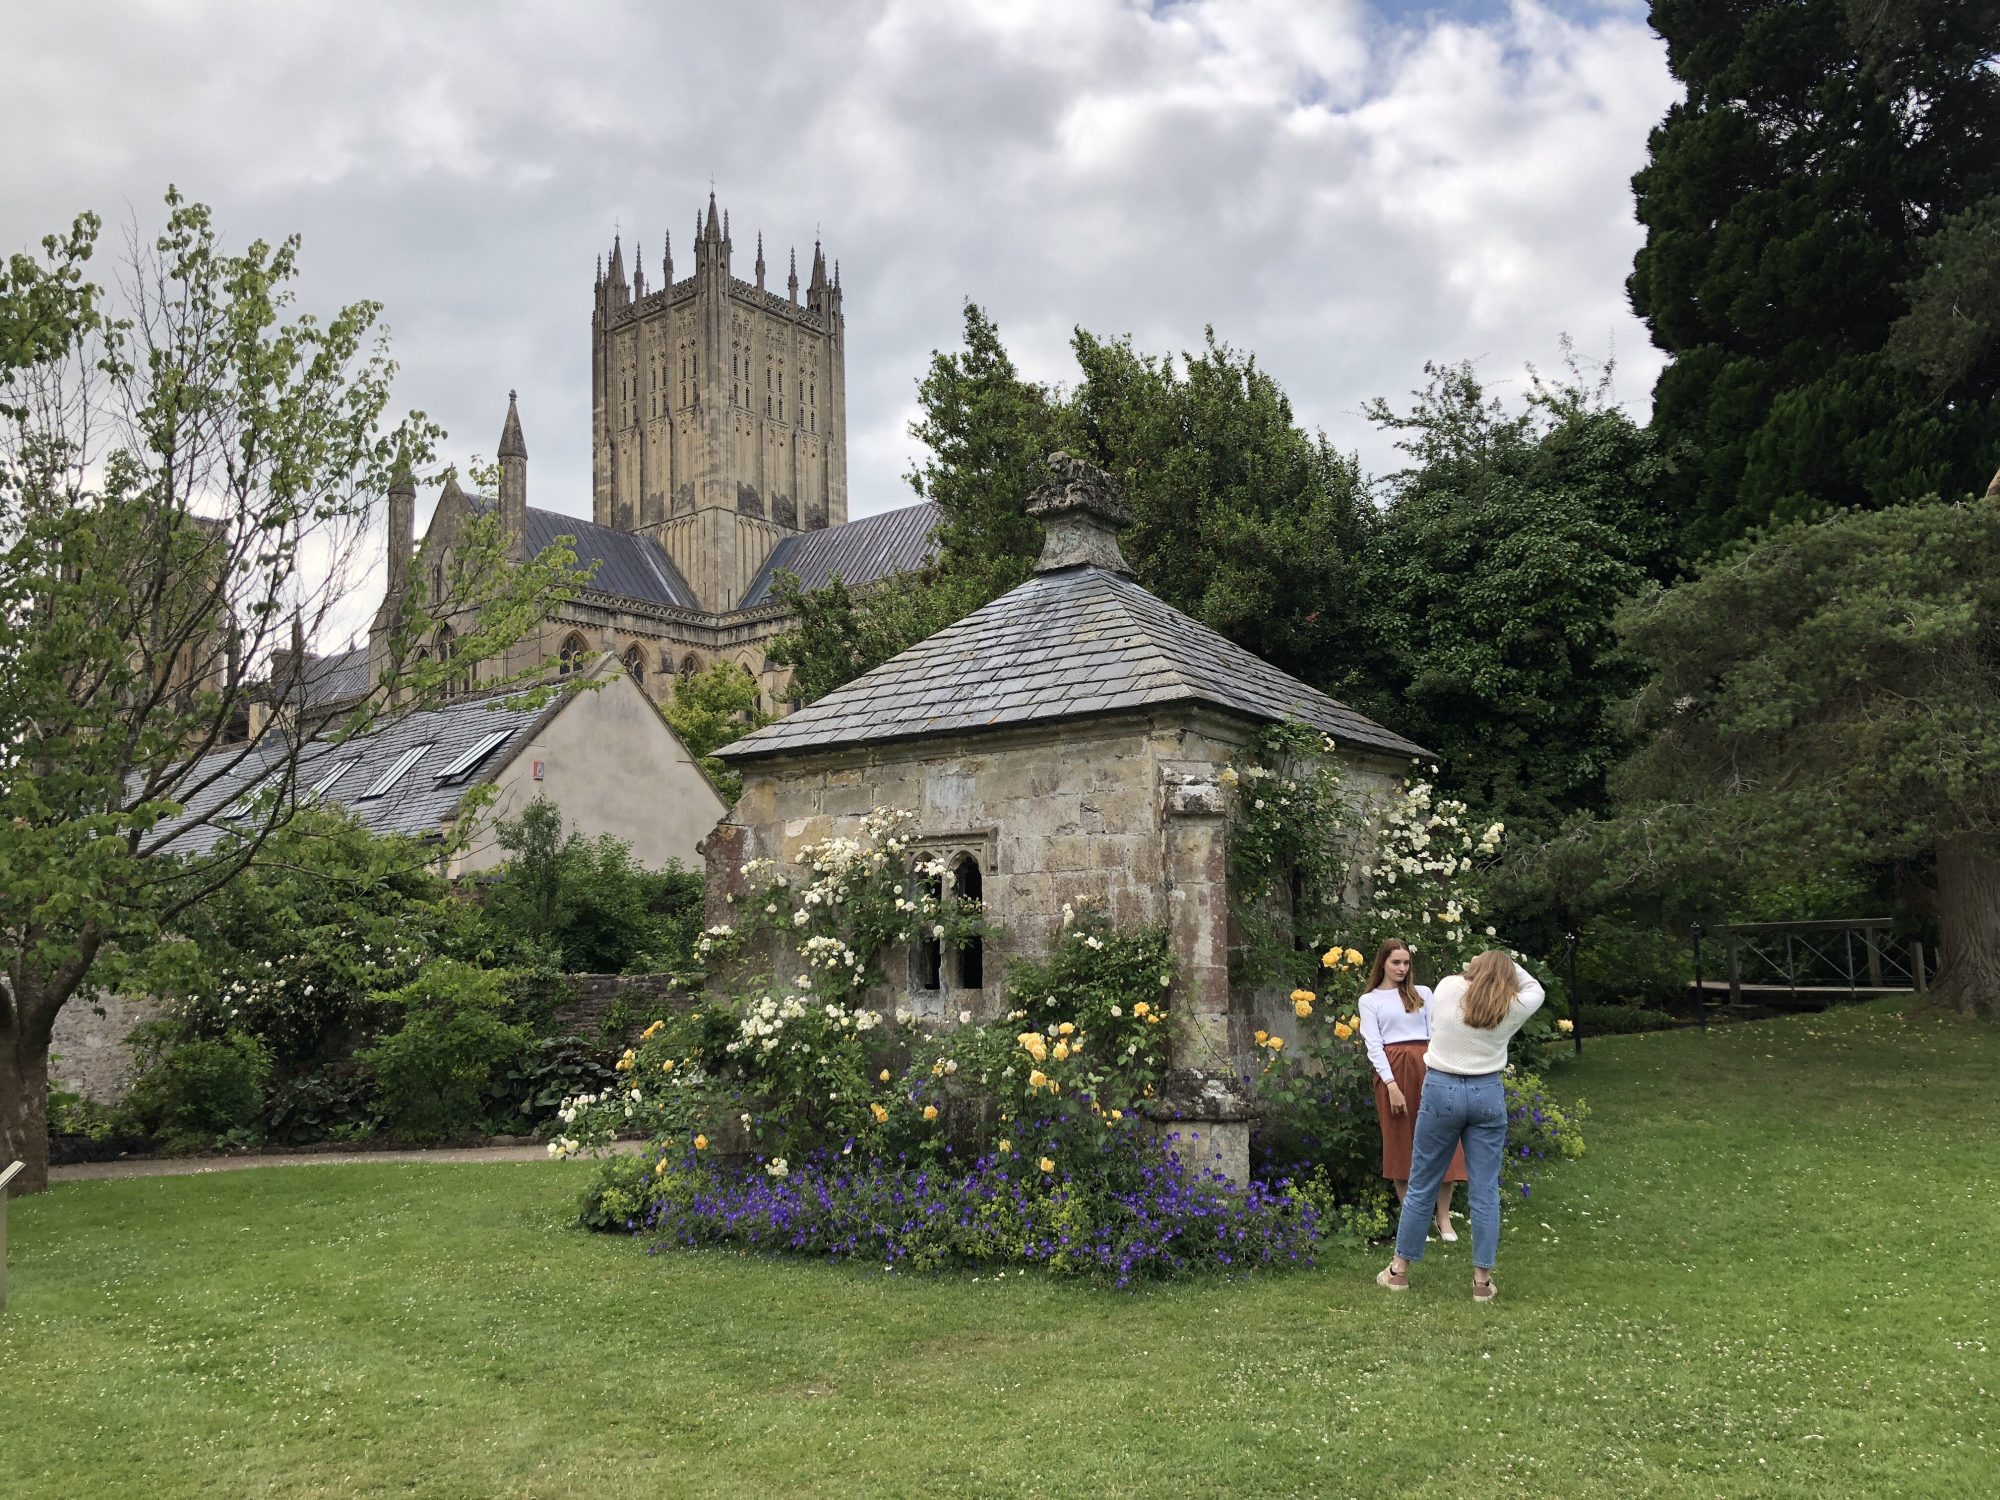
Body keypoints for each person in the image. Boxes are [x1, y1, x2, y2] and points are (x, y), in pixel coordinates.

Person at [1376, 949, 1545, 1302]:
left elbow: (1439, 1018)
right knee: (1485, 1189)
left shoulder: (1450, 986)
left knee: (1422, 1180)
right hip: (1487, 1092)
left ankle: (1398, 1271)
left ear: (1475, 968)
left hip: (1441, 1087)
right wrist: (1504, 967)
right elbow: (1535, 987)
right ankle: (1482, 1283)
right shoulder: (1512, 1004)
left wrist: (1485, 964)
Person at [1356, 938, 1464, 1241]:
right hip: (1393, 1071)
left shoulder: (1423, 994)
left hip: (1429, 1064)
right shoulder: (1371, 1000)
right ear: (1383, 964)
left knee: (1445, 1138)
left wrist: (1440, 1071)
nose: (1402, 968)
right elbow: (1374, 1045)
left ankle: (1444, 1218)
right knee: (1401, 1142)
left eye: (1406, 963)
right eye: (1396, 963)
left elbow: (1437, 1033)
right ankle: (1414, 1221)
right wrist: (1391, 1086)